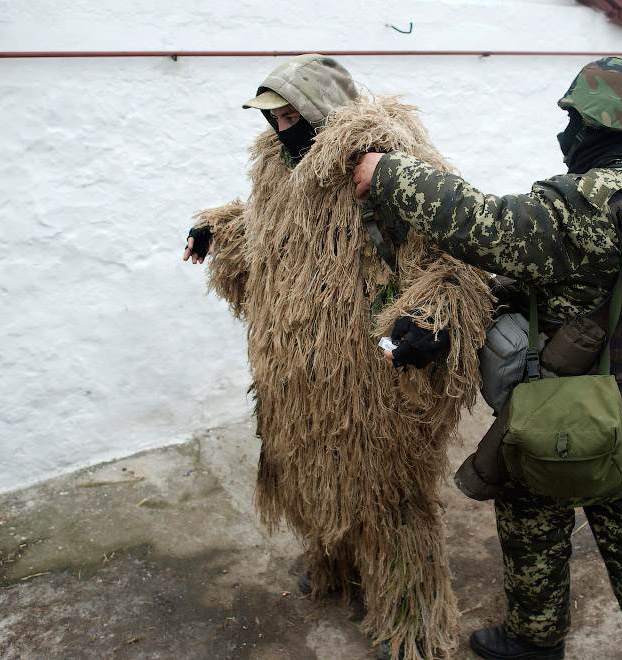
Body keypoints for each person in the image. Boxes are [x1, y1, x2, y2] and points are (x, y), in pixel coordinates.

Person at [353, 57, 622, 660]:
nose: (565, 133)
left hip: (571, 413)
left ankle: (535, 641)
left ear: (598, 127)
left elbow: (483, 223)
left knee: (530, 514)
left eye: (573, 119)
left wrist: (389, 173)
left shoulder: (594, 205)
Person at [184, 54, 494, 660]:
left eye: (292, 116)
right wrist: (218, 231)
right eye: (273, 118)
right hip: (297, 373)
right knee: (313, 477)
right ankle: (336, 570)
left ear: (323, 111)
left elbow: (457, 260)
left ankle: (412, 621)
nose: (280, 130)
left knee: (388, 500)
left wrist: (433, 317)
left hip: (374, 372)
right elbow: (272, 235)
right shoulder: (279, 168)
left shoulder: (389, 166)